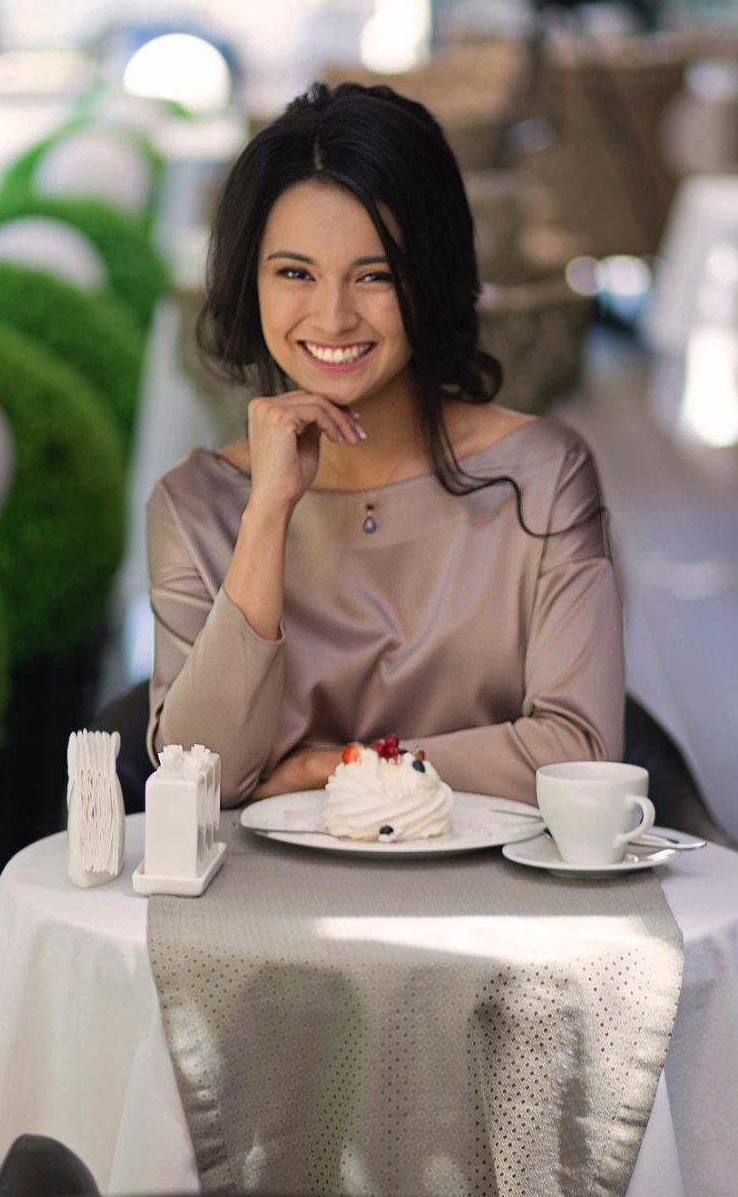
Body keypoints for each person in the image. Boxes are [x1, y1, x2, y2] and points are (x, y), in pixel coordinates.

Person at [145, 81, 623, 808]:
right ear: (251, 281)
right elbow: (198, 778)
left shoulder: (543, 476)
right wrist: (267, 513)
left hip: (492, 877)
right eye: (295, 273)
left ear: (430, 279)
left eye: (375, 276)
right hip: (266, 882)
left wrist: (330, 767)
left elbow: (579, 755)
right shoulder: (193, 506)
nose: (333, 317)